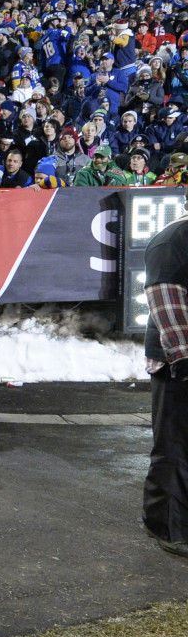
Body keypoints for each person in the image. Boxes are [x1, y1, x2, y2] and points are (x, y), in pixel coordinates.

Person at [142, 197, 188, 558]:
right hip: (177, 364)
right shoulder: (173, 240)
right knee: (174, 446)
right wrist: (184, 358)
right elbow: (165, 300)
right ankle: (168, 527)